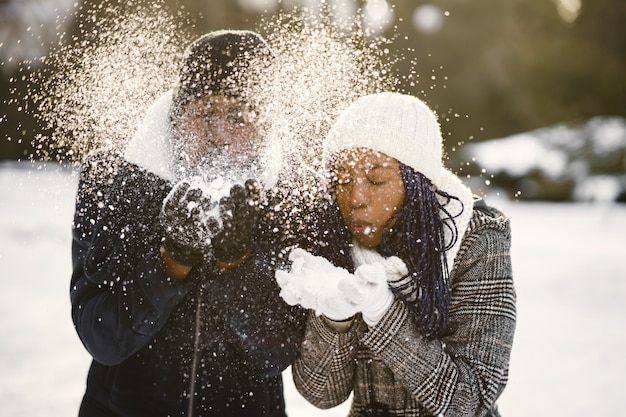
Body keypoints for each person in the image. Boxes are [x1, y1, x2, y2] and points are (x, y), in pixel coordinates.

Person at [70, 30, 305, 417]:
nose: (219, 135)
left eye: (239, 116)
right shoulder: (115, 179)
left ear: (266, 129)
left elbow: (276, 352)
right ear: (177, 117)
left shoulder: (288, 195)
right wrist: (171, 260)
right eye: (204, 113)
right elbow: (101, 335)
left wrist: (234, 263)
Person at [276, 92, 516, 416]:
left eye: (376, 179)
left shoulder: (477, 243)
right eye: (343, 180)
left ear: (418, 183)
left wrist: (383, 313)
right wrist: (336, 319)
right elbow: (321, 394)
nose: (355, 198)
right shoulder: (337, 243)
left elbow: (469, 400)